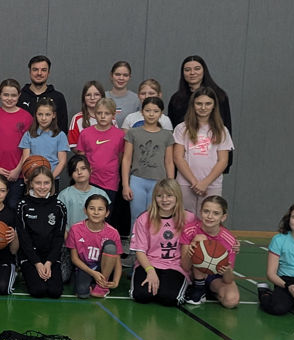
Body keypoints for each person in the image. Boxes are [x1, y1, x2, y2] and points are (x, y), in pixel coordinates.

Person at [172, 86, 234, 217]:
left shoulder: (222, 130)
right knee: (184, 220)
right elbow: (178, 157)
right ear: (193, 105)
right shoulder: (182, 128)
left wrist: (205, 183)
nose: (203, 107)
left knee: (208, 220)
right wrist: (194, 182)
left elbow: (223, 161)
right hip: (186, 183)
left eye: (208, 104)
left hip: (212, 184)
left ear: (214, 106)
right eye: (199, 103)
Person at [130, 179, 192, 305]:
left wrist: (232, 243)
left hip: (175, 266)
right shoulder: (144, 219)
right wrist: (150, 270)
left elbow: (208, 234)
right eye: (160, 196)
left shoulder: (189, 218)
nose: (164, 200)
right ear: (155, 198)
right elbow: (140, 251)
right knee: (141, 295)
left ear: (177, 197)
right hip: (149, 263)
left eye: (169, 195)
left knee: (169, 298)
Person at [120, 95, 173, 237]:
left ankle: (152, 249)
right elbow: (126, 159)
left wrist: (170, 184)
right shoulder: (133, 133)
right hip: (137, 180)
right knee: (136, 216)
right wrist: (126, 185)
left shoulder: (166, 135)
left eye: (155, 111)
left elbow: (169, 161)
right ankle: (135, 250)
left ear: (161, 113)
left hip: (159, 182)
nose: (151, 114)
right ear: (142, 112)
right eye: (148, 110)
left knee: (155, 215)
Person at [15, 165, 66, 298]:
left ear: (52, 183)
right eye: (38, 183)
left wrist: (49, 262)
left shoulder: (59, 206)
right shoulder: (23, 205)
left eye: (46, 183)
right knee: (38, 291)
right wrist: (37, 263)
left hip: (50, 257)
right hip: (30, 257)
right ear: (31, 183)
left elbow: (59, 237)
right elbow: (24, 238)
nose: (42, 187)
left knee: (55, 292)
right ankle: (25, 272)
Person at [181, 195, 239, 308]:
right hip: (192, 273)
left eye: (216, 213)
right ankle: (198, 286)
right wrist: (193, 247)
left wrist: (226, 270)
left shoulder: (229, 240)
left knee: (231, 301)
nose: (210, 216)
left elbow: (228, 279)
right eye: (206, 211)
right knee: (202, 242)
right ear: (200, 212)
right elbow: (185, 266)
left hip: (215, 276)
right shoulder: (190, 230)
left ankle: (207, 290)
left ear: (223, 217)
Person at [66, 193, 122, 299]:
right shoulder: (75, 229)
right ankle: (92, 283)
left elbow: (117, 260)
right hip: (84, 267)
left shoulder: (113, 232)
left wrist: (116, 281)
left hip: (104, 267)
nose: (96, 212)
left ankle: (102, 285)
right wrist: (93, 273)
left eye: (100, 209)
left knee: (110, 247)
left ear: (107, 213)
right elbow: (74, 258)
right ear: (85, 211)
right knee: (82, 294)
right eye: (92, 208)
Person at [76, 99, 125, 215]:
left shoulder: (120, 135)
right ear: (94, 114)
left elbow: (121, 157)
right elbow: (81, 158)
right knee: (88, 213)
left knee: (105, 215)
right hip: (90, 181)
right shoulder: (85, 133)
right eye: (99, 113)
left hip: (110, 182)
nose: (103, 116)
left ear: (113, 115)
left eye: (107, 113)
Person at [0, 79, 32, 208]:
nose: (9, 98)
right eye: (6, 95)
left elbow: (28, 148)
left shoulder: (26, 117)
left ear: (19, 95)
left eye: (13, 95)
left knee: (14, 206)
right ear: (0, 94)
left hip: (17, 173)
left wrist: (18, 169)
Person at [167, 55, 232, 131]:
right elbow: (171, 127)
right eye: (187, 70)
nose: (192, 73)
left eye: (197, 69)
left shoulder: (219, 95)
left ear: (204, 70)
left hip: (213, 141)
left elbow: (226, 125)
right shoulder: (176, 99)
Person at [18, 99, 69, 179]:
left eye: (47, 114)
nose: (43, 118)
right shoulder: (28, 134)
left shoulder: (60, 135)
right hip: (33, 179)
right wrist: (27, 176)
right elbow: (26, 159)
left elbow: (62, 162)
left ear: (54, 115)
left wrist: (50, 179)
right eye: (40, 114)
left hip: (52, 178)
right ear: (36, 115)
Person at [57, 154, 107, 234]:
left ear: (90, 169)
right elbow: (61, 224)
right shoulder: (64, 195)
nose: (79, 172)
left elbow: (104, 222)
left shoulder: (101, 194)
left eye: (83, 168)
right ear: (70, 174)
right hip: (71, 239)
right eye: (75, 170)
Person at [18, 55, 69, 130]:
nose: (39, 73)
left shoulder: (58, 97)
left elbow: (63, 128)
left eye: (43, 70)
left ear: (48, 73)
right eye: (35, 69)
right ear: (29, 71)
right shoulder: (19, 96)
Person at [106, 61, 137, 127]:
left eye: (125, 75)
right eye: (117, 74)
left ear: (129, 77)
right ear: (111, 76)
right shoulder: (102, 97)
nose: (121, 78)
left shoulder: (137, 100)